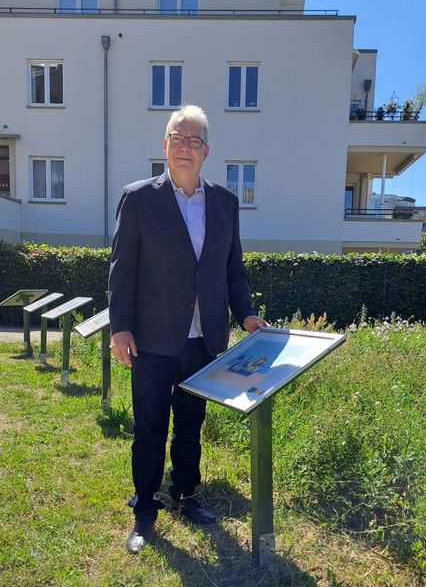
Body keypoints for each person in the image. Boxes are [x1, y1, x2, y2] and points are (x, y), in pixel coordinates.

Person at [108, 104, 266, 553]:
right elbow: (122, 268)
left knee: (191, 424)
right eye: (177, 137)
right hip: (152, 337)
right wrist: (120, 328)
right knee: (150, 426)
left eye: (194, 140)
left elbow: (233, 271)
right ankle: (144, 508)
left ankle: (185, 495)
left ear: (206, 151)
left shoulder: (225, 203)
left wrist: (247, 314)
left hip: (204, 339)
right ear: (164, 144)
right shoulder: (138, 198)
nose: (184, 147)